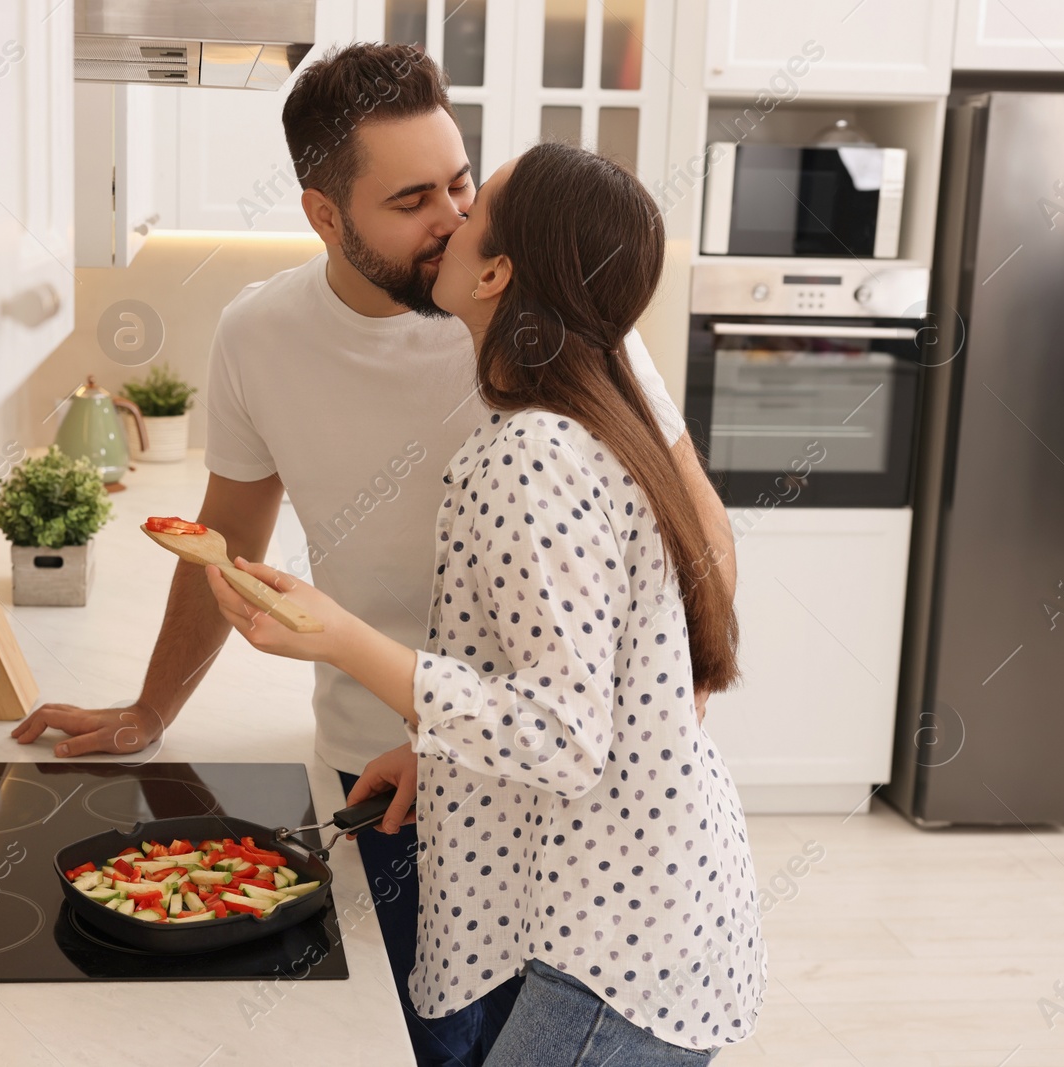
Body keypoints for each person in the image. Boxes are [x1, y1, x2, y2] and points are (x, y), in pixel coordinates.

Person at [11, 43, 738, 1066]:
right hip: (394, 770)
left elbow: (696, 532)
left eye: (461, 185)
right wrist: (151, 710)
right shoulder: (258, 336)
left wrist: (650, 719)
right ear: (323, 215)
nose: (447, 214)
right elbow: (225, 538)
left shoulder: (545, 319)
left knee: (567, 1024)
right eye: (411, 199)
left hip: (565, 804)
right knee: (432, 1042)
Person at [202, 140, 766, 1063]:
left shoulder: (528, 456)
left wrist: (340, 637)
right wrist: (438, 748)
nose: (450, 222)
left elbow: (566, 732)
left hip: (614, 953)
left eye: (472, 204)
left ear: (497, 271)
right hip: (655, 919)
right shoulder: (589, 415)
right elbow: (579, 685)